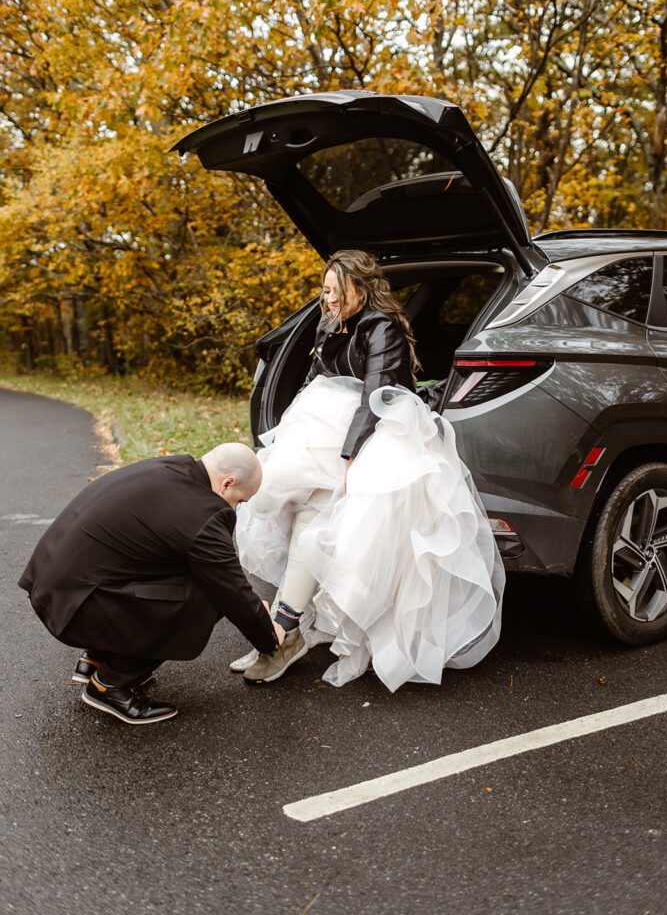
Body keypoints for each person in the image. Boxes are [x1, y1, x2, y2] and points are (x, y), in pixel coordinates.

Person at [234, 249, 505, 690]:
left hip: (380, 432)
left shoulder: (382, 326)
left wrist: (350, 457)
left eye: (336, 292)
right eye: (325, 291)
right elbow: (313, 379)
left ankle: (282, 633)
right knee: (286, 509)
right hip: (324, 430)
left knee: (317, 512)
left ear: (359, 288)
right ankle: (281, 630)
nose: (329, 301)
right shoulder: (328, 321)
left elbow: (377, 395)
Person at [18, 443, 284, 724]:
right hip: (80, 610)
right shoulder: (203, 511)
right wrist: (269, 636)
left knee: (180, 572)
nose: (236, 509)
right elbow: (232, 590)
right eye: (240, 501)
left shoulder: (167, 468)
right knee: (208, 597)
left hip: (55, 589)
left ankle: (96, 658)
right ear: (227, 483)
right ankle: (110, 684)